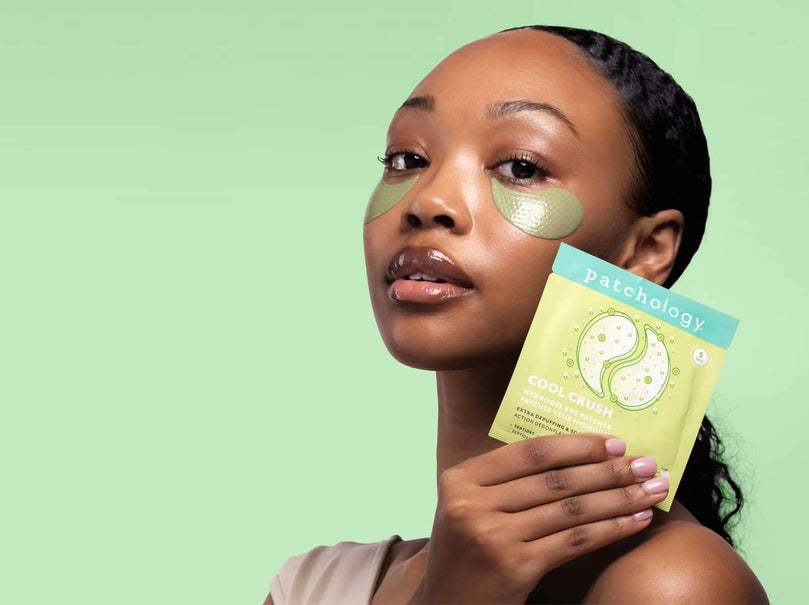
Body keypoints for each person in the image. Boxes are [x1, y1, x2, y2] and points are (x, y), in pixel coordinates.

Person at [264, 25, 768, 604]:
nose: (429, 202)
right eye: (408, 158)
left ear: (646, 250)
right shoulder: (313, 584)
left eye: (521, 167)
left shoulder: (672, 585)